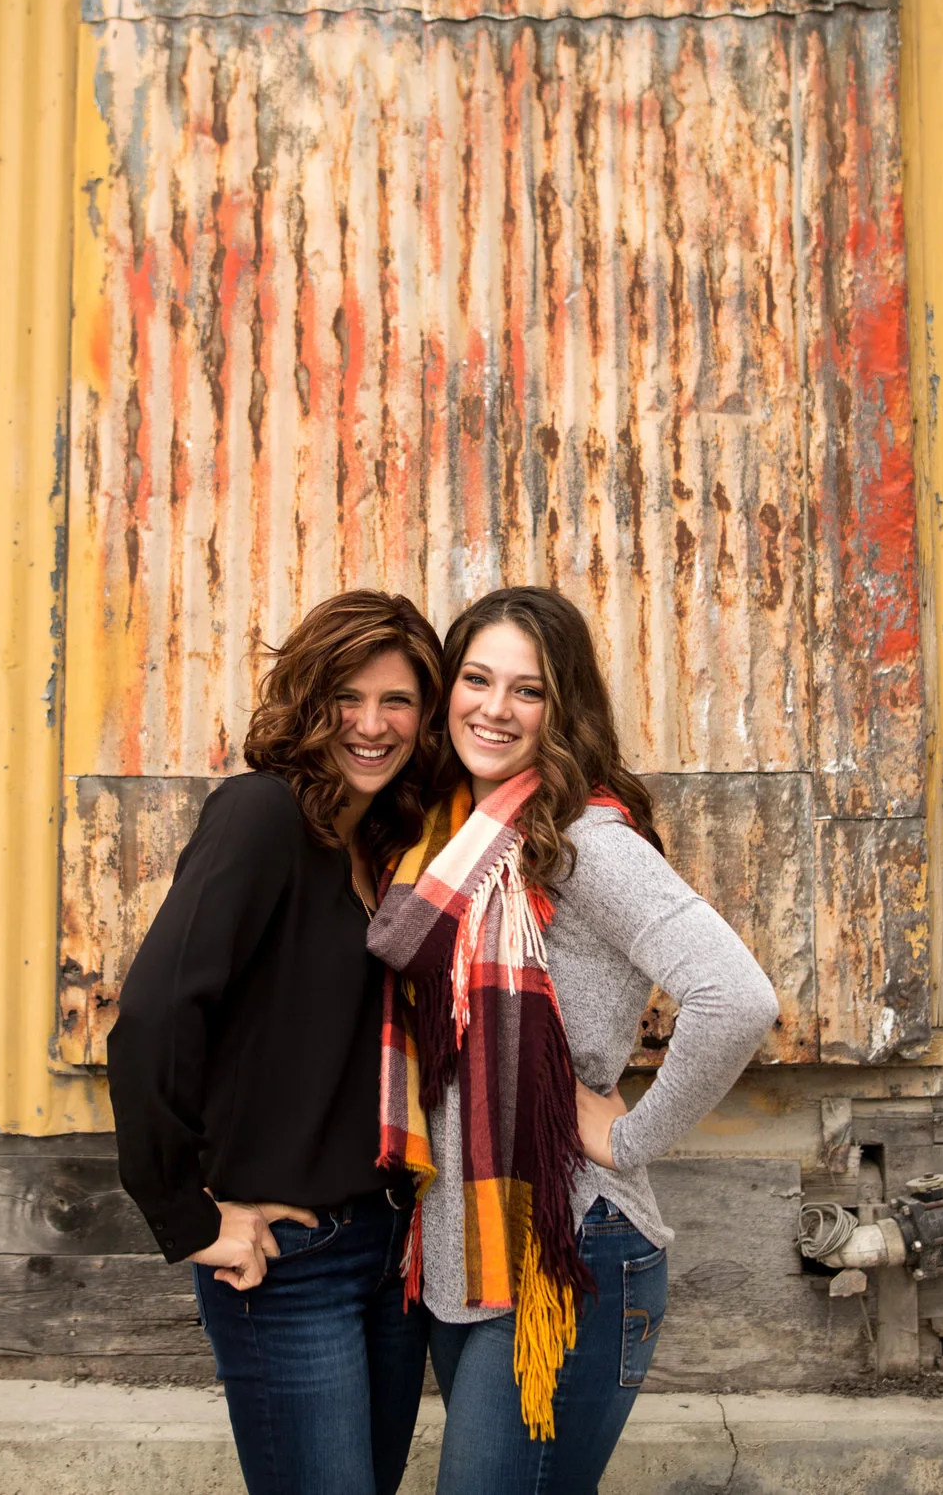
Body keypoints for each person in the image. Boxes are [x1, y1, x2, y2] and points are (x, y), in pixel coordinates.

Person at [369, 585, 780, 1494]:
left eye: (529, 689)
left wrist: (630, 1137)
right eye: (477, 679)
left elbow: (737, 995)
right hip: (473, 1244)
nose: (495, 708)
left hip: (568, 1244)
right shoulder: (446, 841)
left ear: (563, 707)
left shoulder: (585, 841)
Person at [108, 590, 445, 1495]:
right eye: (347, 697)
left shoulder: (388, 846)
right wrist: (189, 1218)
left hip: (393, 1248)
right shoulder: (261, 815)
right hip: (293, 1259)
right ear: (307, 699)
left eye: (398, 700)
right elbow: (153, 1018)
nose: (371, 724)